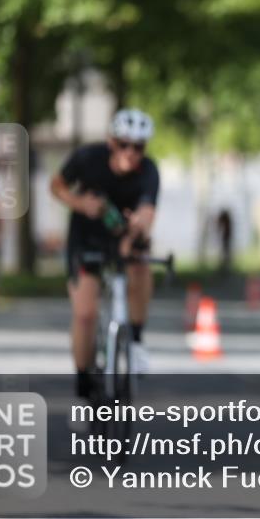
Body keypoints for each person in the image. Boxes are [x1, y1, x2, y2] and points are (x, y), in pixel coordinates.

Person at [50, 109, 159, 400]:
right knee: (85, 314)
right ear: (112, 141)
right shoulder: (88, 158)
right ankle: (84, 379)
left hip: (123, 239)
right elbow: (56, 185)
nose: (131, 153)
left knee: (141, 263)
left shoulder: (148, 171)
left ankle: (135, 340)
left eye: (138, 147)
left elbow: (148, 212)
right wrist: (79, 203)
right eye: (124, 144)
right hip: (85, 241)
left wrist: (137, 230)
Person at [217, 209, 233, 275]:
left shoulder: (226, 222)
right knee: (226, 252)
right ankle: (225, 266)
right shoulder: (227, 221)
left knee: (226, 252)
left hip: (226, 237)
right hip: (226, 237)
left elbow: (219, 226)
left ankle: (226, 267)